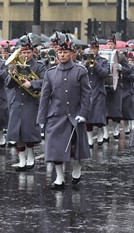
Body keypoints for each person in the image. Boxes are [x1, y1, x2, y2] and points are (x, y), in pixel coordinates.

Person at [37, 35, 92, 190]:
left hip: (75, 116)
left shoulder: (81, 71)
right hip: (56, 116)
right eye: (59, 52)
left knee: (75, 148)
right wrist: (41, 118)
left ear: (72, 53)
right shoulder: (50, 73)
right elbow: (45, 97)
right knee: (55, 148)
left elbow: (86, 94)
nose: (62, 55)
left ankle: (76, 167)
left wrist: (84, 113)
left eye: (65, 52)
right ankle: (59, 177)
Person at [5, 35, 46, 171]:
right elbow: (8, 84)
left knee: (28, 132)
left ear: (33, 51)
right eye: (23, 53)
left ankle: (31, 156)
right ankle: (22, 160)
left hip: (30, 102)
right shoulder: (15, 65)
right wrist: (13, 74)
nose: (26, 55)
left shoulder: (39, 66)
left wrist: (32, 83)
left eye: (28, 52)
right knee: (17, 133)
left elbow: (46, 81)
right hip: (17, 102)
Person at [83, 35, 109, 147]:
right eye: (91, 48)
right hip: (88, 92)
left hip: (99, 92)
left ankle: (99, 134)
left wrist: (96, 64)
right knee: (88, 117)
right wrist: (86, 64)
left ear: (98, 49)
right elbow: (81, 73)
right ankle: (89, 138)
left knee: (98, 117)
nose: (93, 50)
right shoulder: (85, 60)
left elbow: (104, 74)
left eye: (95, 48)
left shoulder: (103, 61)